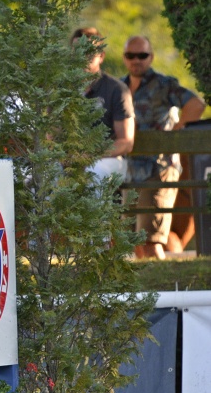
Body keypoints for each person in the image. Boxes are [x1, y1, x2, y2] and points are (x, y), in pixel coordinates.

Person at [121, 35, 206, 260]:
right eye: (131, 55)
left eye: (142, 55)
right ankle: (149, 291)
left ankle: (164, 286)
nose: (136, 60)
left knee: (151, 241)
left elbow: (196, 105)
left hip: (159, 169)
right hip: (129, 171)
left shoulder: (164, 84)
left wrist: (175, 132)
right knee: (133, 242)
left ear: (151, 57)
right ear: (124, 58)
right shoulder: (119, 87)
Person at [71, 27, 134, 182]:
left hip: (108, 159)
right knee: (39, 176)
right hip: (68, 159)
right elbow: (51, 135)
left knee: (94, 172)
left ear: (101, 56)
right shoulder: (62, 89)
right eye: (77, 50)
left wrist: (90, 155)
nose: (83, 55)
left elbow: (126, 143)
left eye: (89, 50)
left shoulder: (117, 89)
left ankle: (89, 208)